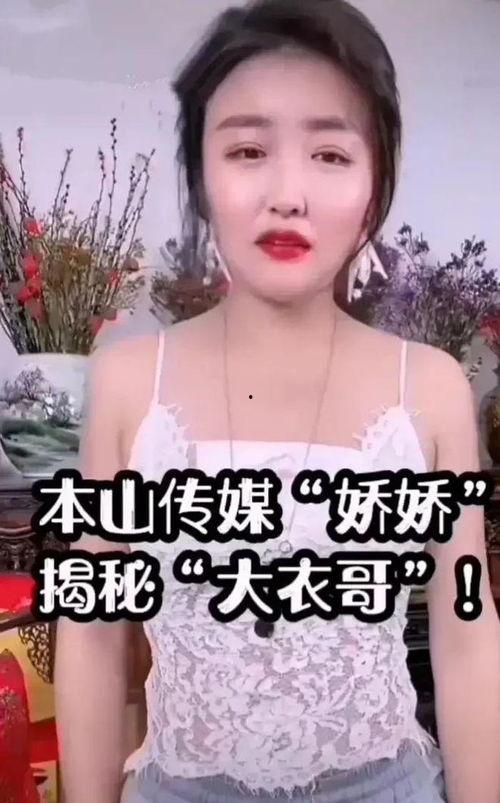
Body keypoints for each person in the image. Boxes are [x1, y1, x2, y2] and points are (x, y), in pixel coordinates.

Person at [54, 1, 500, 801]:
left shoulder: (429, 389)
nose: (288, 193)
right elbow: (92, 633)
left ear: (374, 185)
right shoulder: (128, 384)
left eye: (330, 153)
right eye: (249, 150)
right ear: (201, 175)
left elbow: (467, 637)